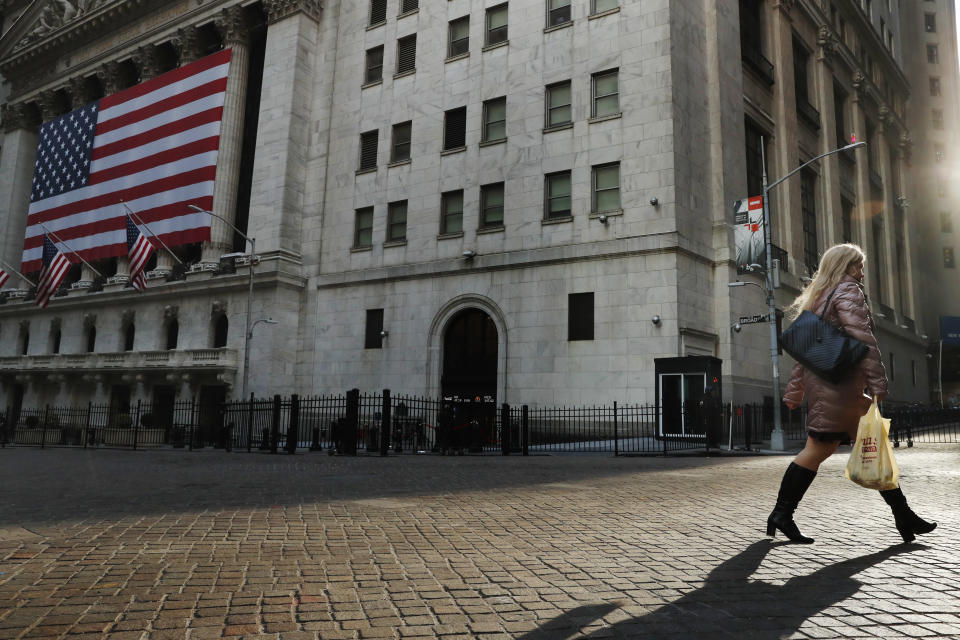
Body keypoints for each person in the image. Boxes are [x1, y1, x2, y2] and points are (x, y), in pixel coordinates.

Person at [768, 243, 936, 544]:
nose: (861, 272)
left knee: (867, 445)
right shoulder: (848, 291)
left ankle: (903, 516)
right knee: (823, 449)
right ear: (843, 266)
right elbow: (864, 339)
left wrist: (795, 391)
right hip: (841, 387)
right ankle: (782, 514)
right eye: (857, 265)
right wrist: (879, 383)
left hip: (827, 386)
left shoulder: (819, 296)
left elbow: (806, 353)